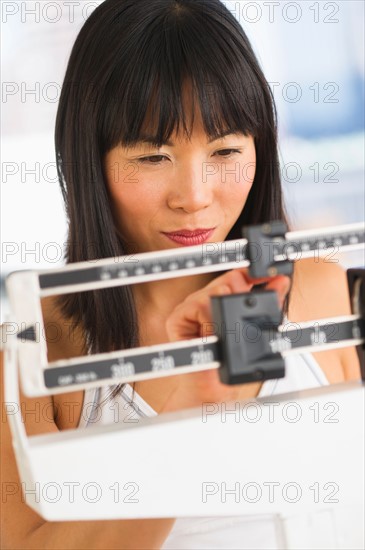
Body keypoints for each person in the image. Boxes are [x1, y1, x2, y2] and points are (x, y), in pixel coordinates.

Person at [1, 0, 360, 548]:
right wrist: (194, 413)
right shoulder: (37, 349)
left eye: (226, 149)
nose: (194, 198)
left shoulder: (319, 288)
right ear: (88, 158)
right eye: (152, 157)